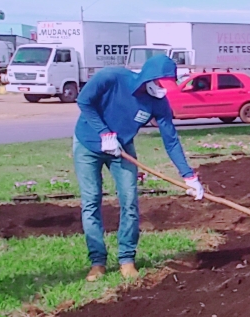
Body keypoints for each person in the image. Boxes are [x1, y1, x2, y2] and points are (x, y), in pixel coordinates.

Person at [74, 55, 203, 281]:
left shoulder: (158, 102)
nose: (163, 89)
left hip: (121, 149)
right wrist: (104, 132)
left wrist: (188, 176)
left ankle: (126, 259)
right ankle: (97, 263)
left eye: (167, 85)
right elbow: (84, 101)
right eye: (160, 82)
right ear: (148, 77)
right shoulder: (111, 77)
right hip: (88, 144)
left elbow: (170, 140)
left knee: (130, 201)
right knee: (92, 200)